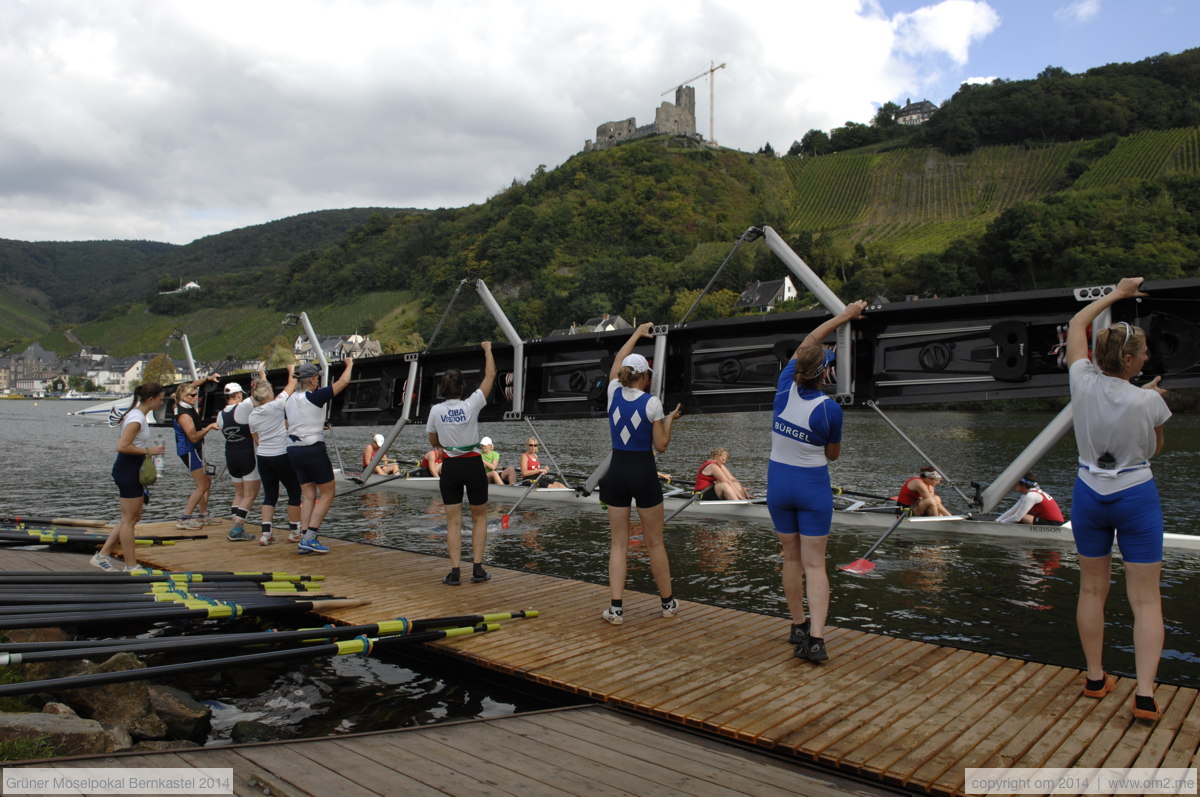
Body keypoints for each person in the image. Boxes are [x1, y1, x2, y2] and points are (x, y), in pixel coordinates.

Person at [1066, 276, 1171, 723]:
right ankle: (1144, 696)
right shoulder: (1148, 402)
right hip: (1134, 495)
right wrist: (1146, 399)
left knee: (1092, 588)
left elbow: (1075, 325)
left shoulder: (1081, 380)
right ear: (1129, 360)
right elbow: (1154, 449)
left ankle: (1094, 678)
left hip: (1089, 492)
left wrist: (1117, 295)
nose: (1147, 357)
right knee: (1145, 600)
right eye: (1143, 353)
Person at [767, 300, 867, 662]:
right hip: (811, 487)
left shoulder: (783, 386)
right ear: (825, 373)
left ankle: (797, 624)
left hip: (778, 484)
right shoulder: (829, 408)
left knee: (791, 559)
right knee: (814, 565)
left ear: (798, 368)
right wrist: (852, 316)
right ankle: (817, 640)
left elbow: (808, 340)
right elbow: (832, 455)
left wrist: (842, 316)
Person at [598, 323, 683, 625]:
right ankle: (668, 604)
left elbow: (619, 359)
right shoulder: (653, 403)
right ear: (645, 378)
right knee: (655, 542)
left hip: (617, 472)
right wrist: (670, 419)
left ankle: (617, 609)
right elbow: (660, 446)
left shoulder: (611, 391)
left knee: (618, 543)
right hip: (644, 472)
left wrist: (636, 334)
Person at [426, 341, 496, 586]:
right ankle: (477, 569)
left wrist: (445, 442)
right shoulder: (471, 404)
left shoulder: (435, 411)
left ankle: (455, 572)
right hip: (474, 465)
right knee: (480, 518)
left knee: (453, 521)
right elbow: (490, 375)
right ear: (463, 388)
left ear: (443, 390)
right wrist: (487, 350)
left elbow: (434, 441)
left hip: (451, 468)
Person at [92, 382, 166, 572]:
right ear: (150, 399)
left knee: (133, 517)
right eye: (160, 399)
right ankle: (131, 566)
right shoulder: (136, 419)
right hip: (127, 469)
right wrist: (149, 450)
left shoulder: (138, 415)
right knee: (129, 520)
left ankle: (103, 555)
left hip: (132, 468)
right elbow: (122, 446)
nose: (161, 402)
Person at [286, 357, 354, 554]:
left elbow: (289, 425)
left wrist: (314, 424)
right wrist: (349, 365)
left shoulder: (289, 399)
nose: (318, 382)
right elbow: (343, 383)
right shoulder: (314, 396)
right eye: (317, 378)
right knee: (327, 492)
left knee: (308, 494)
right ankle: (310, 537)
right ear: (313, 380)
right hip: (312, 450)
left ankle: (305, 535)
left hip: (294, 449)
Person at [249, 365, 301, 546]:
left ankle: (266, 534)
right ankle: (294, 532)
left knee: (270, 495)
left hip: (263, 457)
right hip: (281, 454)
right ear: (270, 395)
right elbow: (292, 383)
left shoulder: (252, 415)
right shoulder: (278, 405)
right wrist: (291, 369)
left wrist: (263, 376)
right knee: (295, 492)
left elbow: (257, 440)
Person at [172, 376, 220, 530]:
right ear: (184, 397)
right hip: (190, 450)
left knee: (207, 481)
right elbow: (192, 437)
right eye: (193, 396)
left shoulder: (183, 399)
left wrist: (207, 378)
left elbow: (191, 385)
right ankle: (185, 518)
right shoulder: (184, 414)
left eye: (195, 395)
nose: (196, 397)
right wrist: (209, 427)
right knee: (202, 484)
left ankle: (203, 514)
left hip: (197, 449)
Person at [217, 381, 261, 541]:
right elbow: (258, 396)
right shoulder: (242, 407)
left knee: (239, 493)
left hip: (231, 456)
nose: (242, 397)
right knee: (250, 494)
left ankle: (236, 526)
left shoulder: (220, 415)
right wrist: (261, 380)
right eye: (240, 395)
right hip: (247, 455)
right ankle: (237, 529)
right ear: (237, 395)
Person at [995, 473, 1065, 525]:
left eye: (1016, 484)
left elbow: (1017, 517)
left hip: (1054, 524)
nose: (1013, 486)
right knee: (1018, 514)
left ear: (1023, 485)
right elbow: (1012, 510)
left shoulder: (1031, 496)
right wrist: (997, 520)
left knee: (1022, 516)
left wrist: (1001, 524)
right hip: (1045, 520)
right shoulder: (1028, 494)